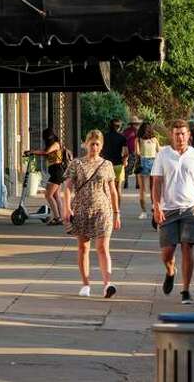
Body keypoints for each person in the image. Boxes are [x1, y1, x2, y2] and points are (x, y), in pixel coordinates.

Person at [151, 119, 194, 305]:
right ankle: (171, 271)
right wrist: (156, 206)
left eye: (183, 133)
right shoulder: (163, 155)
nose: (180, 137)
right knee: (167, 252)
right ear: (172, 135)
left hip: (190, 208)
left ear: (189, 136)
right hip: (168, 209)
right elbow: (156, 183)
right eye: (176, 133)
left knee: (188, 247)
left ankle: (186, 290)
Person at [62, 129, 121, 298]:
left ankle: (107, 284)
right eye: (91, 144)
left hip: (103, 210)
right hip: (81, 209)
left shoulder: (107, 165)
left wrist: (117, 212)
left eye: (97, 144)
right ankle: (86, 284)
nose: (94, 147)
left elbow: (112, 190)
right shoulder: (76, 164)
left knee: (103, 248)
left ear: (101, 146)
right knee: (83, 247)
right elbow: (67, 187)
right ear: (86, 144)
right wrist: (66, 207)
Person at [25, 128, 65, 225]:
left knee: (48, 195)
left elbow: (46, 152)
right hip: (56, 172)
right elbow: (46, 152)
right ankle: (61, 217)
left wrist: (33, 152)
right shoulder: (52, 144)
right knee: (56, 196)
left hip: (57, 171)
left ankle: (57, 217)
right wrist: (33, 152)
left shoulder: (56, 144)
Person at [135, 122, 160, 220]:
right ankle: (154, 206)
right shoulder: (154, 139)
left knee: (142, 190)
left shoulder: (138, 140)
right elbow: (159, 151)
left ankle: (143, 212)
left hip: (143, 162)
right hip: (154, 162)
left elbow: (137, 152)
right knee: (153, 188)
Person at [101, 118, 129, 186]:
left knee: (107, 187)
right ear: (118, 127)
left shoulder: (103, 137)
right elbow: (126, 153)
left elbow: (100, 151)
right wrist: (125, 161)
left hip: (106, 165)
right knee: (118, 188)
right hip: (118, 164)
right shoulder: (122, 138)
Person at [122, 120, 140, 189]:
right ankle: (137, 184)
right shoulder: (136, 131)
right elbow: (138, 141)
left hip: (127, 150)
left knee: (126, 167)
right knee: (136, 167)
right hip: (134, 151)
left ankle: (126, 182)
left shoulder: (125, 131)